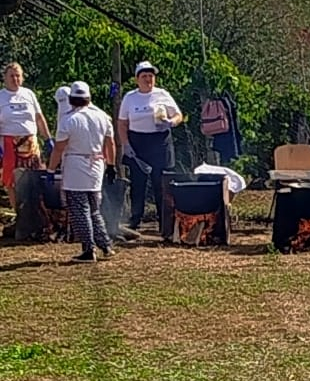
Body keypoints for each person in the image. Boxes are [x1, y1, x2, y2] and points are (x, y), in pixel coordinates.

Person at [47, 81, 116, 263]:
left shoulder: (68, 120)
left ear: (71, 99)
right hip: (97, 164)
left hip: (76, 164)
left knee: (79, 209)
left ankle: (88, 249)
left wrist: (50, 169)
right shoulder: (102, 116)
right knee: (94, 209)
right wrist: (111, 165)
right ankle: (105, 245)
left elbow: (59, 148)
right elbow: (110, 143)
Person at [117, 61, 183, 232]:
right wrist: (126, 144)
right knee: (137, 184)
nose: (148, 79)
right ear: (137, 79)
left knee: (160, 183)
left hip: (160, 142)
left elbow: (178, 115)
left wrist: (171, 123)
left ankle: (164, 222)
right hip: (138, 142)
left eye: (151, 76)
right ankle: (135, 219)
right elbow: (122, 123)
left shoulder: (162, 94)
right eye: (144, 76)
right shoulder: (130, 97)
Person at [0, 62, 53, 192]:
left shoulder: (29, 94)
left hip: (30, 143)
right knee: (11, 180)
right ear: (5, 78)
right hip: (9, 143)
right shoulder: (1, 96)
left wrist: (47, 139)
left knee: (36, 176)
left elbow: (39, 118)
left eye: (18, 76)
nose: (15, 79)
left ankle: (35, 210)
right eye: (11, 76)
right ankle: (18, 210)